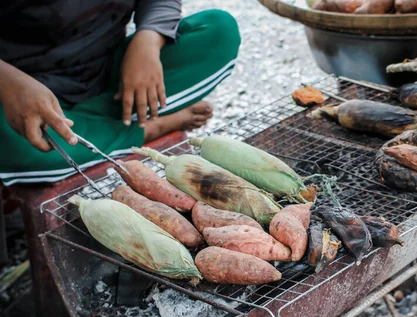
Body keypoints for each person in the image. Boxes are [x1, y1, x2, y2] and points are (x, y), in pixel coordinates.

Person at [0, 1, 241, 186]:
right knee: (17, 146)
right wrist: (9, 82)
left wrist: (149, 39)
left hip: (115, 73)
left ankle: (99, 130)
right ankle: (147, 129)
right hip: (23, 95)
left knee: (219, 30)